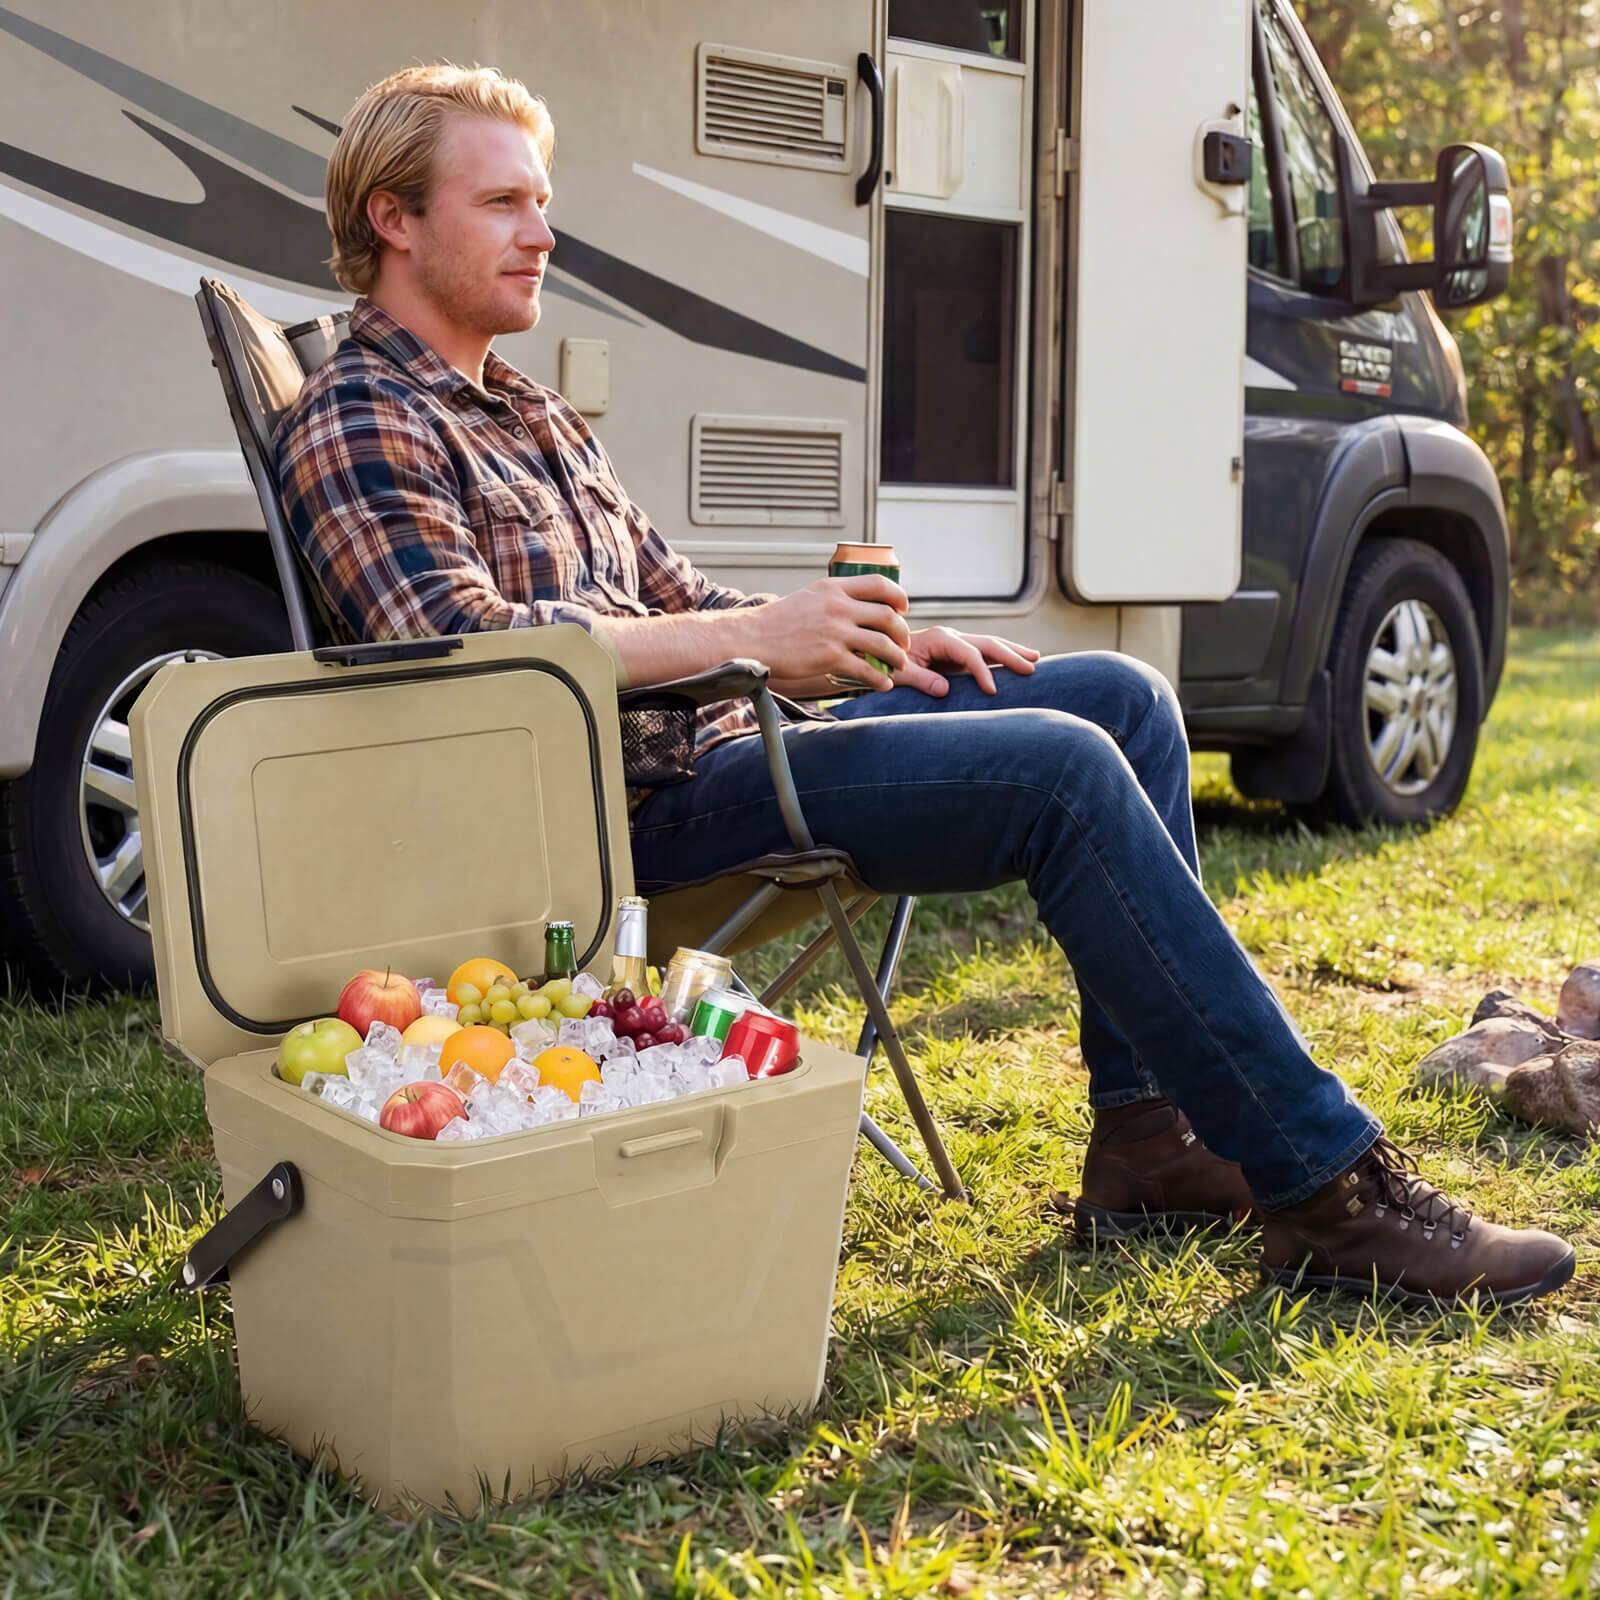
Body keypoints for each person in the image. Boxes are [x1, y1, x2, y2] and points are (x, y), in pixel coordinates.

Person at [276, 63, 1574, 1306]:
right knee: (1060, 771)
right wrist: (760, 646)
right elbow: (461, 651)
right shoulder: (362, 413)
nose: (542, 232)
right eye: (504, 201)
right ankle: (1330, 1193)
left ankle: (1150, 1142)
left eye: (541, 200)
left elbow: (674, 600)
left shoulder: (527, 410)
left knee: (1121, 696)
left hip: (735, 747)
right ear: (393, 218)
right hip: (622, 823)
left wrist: (869, 642)